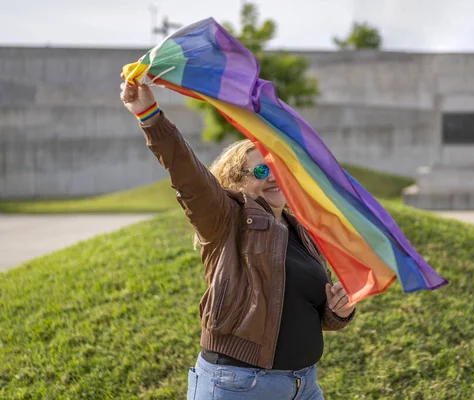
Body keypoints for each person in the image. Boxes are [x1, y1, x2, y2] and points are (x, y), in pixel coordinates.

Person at [120, 81, 356, 399]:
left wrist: (337, 311)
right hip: (239, 384)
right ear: (236, 181)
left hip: (304, 385)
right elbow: (188, 175)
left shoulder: (301, 230)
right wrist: (149, 115)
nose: (272, 176)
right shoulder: (226, 218)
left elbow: (304, 310)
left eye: (276, 168)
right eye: (260, 171)